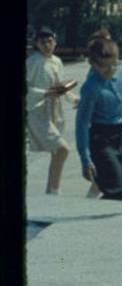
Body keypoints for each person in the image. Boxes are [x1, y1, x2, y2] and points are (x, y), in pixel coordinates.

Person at [74, 29, 122, 201]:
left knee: (120, 190)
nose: (111, 70)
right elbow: (82, 124)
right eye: (105, 66)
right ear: (92, 63)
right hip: (102, 140)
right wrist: (85, 159)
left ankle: (102, 220)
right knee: (119, 192)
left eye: (115, 64)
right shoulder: (91, 88)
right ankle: (92, 223)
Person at [25, 27, 79, 194]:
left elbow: (60, 86)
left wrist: (75, 99)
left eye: (50, 41)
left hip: (54, 110)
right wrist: (45, 93)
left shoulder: (57, 61)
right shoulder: (33, 62)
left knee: (57, 152)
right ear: (37, 44)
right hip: (36, 111)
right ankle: (54, 190)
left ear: (55, 42)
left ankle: (52, 189)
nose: (47, 45)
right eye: (43, 42)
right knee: (63, 149)